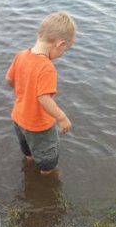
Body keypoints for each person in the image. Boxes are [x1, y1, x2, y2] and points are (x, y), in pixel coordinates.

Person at [6, 11, 76, 175]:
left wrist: (24, 89)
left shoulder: (21, 55)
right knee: (47, 161)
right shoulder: (47, 67)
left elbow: (9, 80)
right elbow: (44, 99)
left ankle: (29, 165)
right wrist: (62, 118)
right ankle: (47, 177)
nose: (61, 55)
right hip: (39, 126)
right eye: (63, 50)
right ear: (59, 44)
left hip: (18, 118)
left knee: (28, 152)